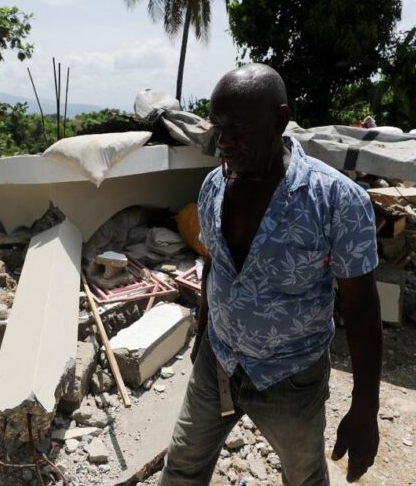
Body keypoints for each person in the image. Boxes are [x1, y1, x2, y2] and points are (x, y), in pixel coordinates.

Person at [159, 64, 383, 485]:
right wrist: (205, 333)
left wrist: (365, 409)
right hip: (218, 362)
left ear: (279, 120)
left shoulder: (336, 200)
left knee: (303, 478)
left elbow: (361, 308)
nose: (224, 142)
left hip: (291, 377)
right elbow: (215, 264)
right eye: (218, 127)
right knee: (183, 468)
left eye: (238, 128)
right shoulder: (212, 187)